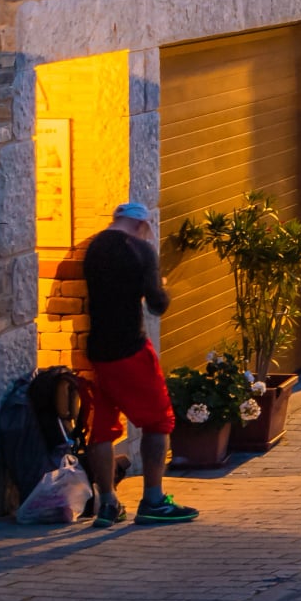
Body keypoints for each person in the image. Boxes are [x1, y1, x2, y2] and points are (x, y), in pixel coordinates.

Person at [82, 203, 199, 526]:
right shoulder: (141, 250)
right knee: (158, 422)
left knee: (103, 428)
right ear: (141, 224)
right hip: (131, 348)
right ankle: (153, 500)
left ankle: (107, 503)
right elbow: (157, 303)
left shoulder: (93, 247)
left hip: (97, 349)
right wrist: (166, 288)